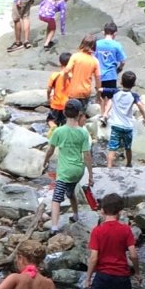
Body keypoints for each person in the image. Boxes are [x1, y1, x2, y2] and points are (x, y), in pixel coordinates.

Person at [78, 192, 143, 289]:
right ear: (120, 212)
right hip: (121, 274)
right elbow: (133, 254)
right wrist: (137, 272)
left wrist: (88, 278)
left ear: (102, 211)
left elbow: (94, 257)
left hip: (102, 275)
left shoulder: (97, 231)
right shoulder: (125, 229)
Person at [41, 99, 93, 230]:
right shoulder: (83, 132)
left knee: (56, 198)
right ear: (79, 114)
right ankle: (76, 215)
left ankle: (54, 226)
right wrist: (90, 175)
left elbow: (50, 150)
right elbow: (87, 155)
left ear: (64, 112)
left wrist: (45, 161)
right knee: (70, 193)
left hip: (64, 171)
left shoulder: (58, 131)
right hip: (78, 171)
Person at [106, 70, 145, 168]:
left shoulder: (115, 92)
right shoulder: (134, 96)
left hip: (116, 126)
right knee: (128, 147)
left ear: (121, 82)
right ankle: (128, 164)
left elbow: (103, 92)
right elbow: (141, 106)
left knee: (112, 148)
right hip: (127, 126)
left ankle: (109, 166)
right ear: (134, 84)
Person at [62, 35, 102, 119]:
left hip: (73, 91)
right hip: (85, 91)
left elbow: (66, 70)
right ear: (94, 46)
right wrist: (98, 93)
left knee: (71, 114)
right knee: (82, 113)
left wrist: (65, 81)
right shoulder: (95, 61)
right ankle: (80, 128)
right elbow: (98, 78)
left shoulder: (75, 56)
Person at [94, 23, 127, 118]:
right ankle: (106, 114)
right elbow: (123, 61)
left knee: (101, 95)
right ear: (115, 33)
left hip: (99, 74)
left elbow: (94, 58)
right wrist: (120, 68)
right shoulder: (116, 45)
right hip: (111, 74)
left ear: (103, 32)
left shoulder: (97, 44)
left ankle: (102, 113)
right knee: (110, 97)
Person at [45, 52, 72, 130]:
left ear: (60, 63)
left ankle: (54, 130)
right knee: (65, 122)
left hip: (56, 103)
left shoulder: (55, 75)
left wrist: (48, 98)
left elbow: (49, 89)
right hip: (67, 105)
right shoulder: (72, 77)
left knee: (50, 120)